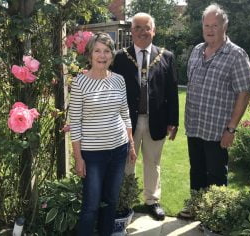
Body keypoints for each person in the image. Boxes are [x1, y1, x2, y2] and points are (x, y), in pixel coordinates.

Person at [180, 3, 250, 217]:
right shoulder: (196, 50)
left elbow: (244, 93)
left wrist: (231, 129)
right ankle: (195, 207)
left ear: (225, 26)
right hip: (194, 125)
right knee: (196, 170)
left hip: (217, 129)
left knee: (215, 173)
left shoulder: (236, 55)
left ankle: (214, 215)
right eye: (206, 25)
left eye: (215, 25)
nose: (210, 30)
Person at [112, 12, 179, 221]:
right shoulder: (121, 57)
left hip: (155, 120)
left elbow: (172, 91)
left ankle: (152, 201)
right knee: (126, 163)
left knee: (153, 162)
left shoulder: (166, 57)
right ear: (131, 32)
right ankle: (124, 200)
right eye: (137, 28)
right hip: (126, 122)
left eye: (146, 27)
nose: (142, 32)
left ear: (154, 31)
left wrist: (173, 121)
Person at [69, 32, 137, 236]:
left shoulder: (119, 80)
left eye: (107, 51)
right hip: (93, 155)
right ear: (90, 55)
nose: (102, 55)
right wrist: (78, 157)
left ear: (112, 56)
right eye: (97, 50)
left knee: (111, 201)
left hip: (118, 150)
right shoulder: (79, 83)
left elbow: (125, 113)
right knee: (91, 205)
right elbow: (75, 123)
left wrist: (131, 144)